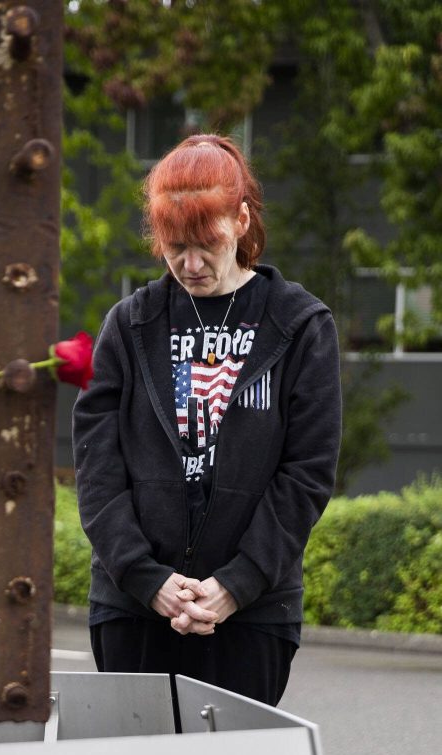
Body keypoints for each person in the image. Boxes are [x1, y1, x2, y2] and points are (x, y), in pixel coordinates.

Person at [72, 134, 341, 707]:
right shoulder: (130, 324)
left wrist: (236, 585)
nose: (191, 265)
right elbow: (97, 468)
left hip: (252, 614)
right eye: (175, 247)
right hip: (133, 609)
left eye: (206, 243)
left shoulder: (301, 324)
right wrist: (148, 581)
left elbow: (307, 474)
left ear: (241, 220)